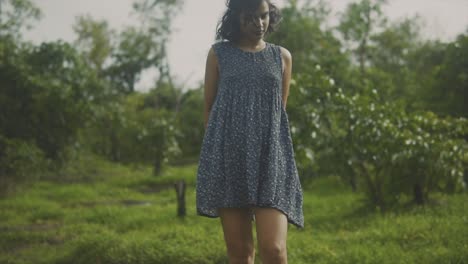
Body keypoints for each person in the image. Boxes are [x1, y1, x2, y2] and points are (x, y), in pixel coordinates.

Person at [195, 0, 304, 263]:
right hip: (229, 159)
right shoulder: (218, 54)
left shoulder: (282, 57)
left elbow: (278, 112)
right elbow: (209, 109)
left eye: (264, 16)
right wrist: (218, 154)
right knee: (241, 253)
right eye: (251, 18)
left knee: (275, 250)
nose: (259, 24)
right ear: (236, 18)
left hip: (270, 160)